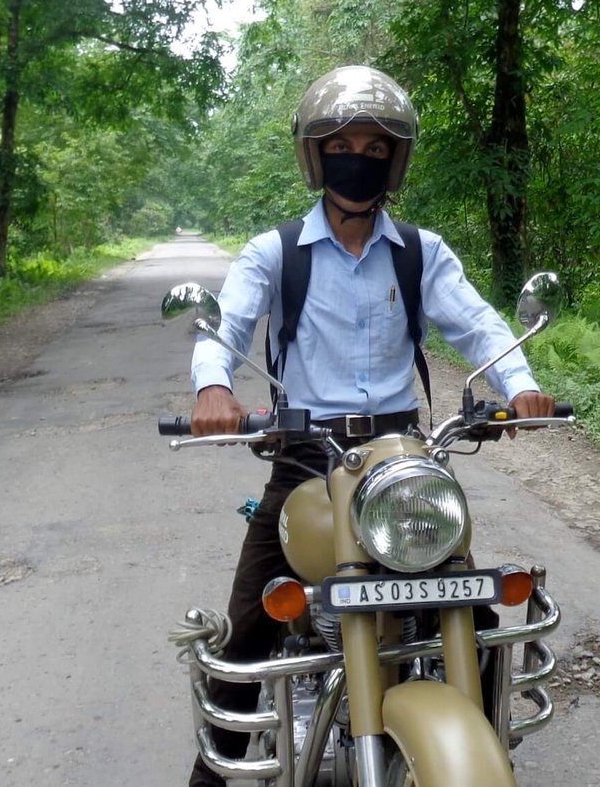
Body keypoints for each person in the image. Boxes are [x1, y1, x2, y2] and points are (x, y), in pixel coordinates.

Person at [185, 65, 555, 787]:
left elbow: (477, 324)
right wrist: (213, 385)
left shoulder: (421, 251)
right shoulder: (273, 252)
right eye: (344, 142)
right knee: (249, 623)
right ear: (317, 156)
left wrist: (523, 385)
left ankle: (477, 746)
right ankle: (214, 767)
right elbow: (222, 325)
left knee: (473, 608)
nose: (361, 156)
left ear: (396, 160)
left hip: (404, 456)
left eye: (378, 146)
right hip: (305, 457)